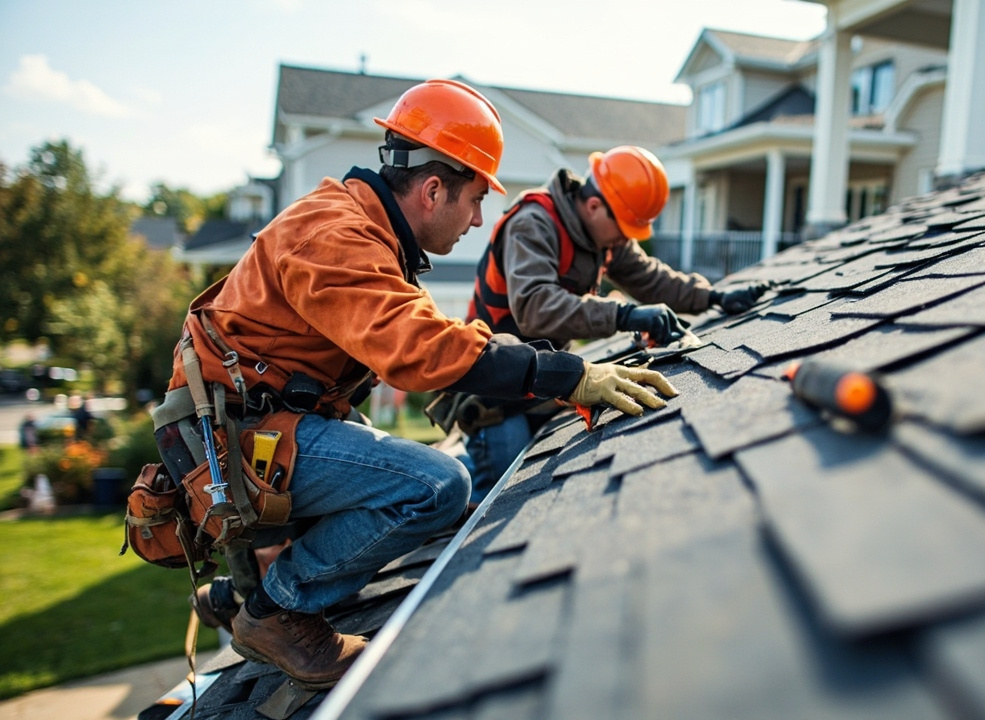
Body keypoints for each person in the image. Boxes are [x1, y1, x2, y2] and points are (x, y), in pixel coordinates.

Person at [152, 79, 677, 690]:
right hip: (239, 438)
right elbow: (419, 348)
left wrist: (550, 375)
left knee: (414, 493)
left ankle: (242, 594)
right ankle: (277, 611)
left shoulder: (368, 233)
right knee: (436, 485)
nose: (480, 219)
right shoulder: (336, 237)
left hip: (268, 423)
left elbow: (435, 334)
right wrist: (568, 373)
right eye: (476, 199)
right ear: (433, 190)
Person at [461, 145, 768, 500]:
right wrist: (624, 314)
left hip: (546, 382)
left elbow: (651, 278)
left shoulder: (602, 232)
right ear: (594, 206)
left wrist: (713, 297)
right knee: (494, 504)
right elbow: (535, 306)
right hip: (497, 395)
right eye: (623, 230)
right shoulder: (533, 224)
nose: (625, 241)